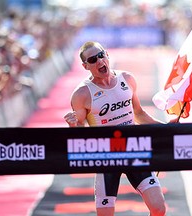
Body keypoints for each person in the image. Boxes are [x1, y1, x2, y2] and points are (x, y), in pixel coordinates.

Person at [64, 41, 178, 216]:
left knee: (159, 208)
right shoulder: (82, 94)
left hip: (133, 150)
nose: (100, 61)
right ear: (85, 66)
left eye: (101, 55)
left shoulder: (127, 79)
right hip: (106, 156)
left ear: (107, 55)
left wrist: (165, 129)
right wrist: (73, 124)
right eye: (93, 60)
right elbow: (80, 133)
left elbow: (139, 114)